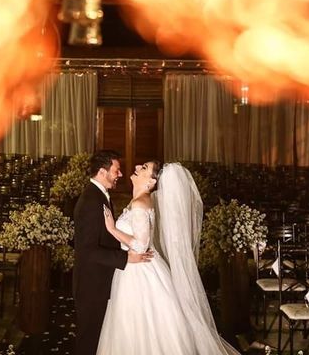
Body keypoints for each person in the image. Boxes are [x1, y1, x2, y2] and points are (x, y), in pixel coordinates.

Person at [97, 161, 240, 355]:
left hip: (140, 272)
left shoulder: (141, 203)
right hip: (134, 268)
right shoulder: (139, 200)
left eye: (144, 168)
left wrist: (112, 229)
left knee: (140, 326)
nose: (138, 167)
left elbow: (140, 245)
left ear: (151, 182)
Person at [73, 150, 153, 355]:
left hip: (102, 279)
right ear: (102, 171)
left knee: (100, 338)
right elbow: (87, 250)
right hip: (92, 284)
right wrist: (126, 257)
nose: (119, 175)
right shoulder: (91, 200)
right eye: (116, 170)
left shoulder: (100, 195)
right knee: (89, 340)